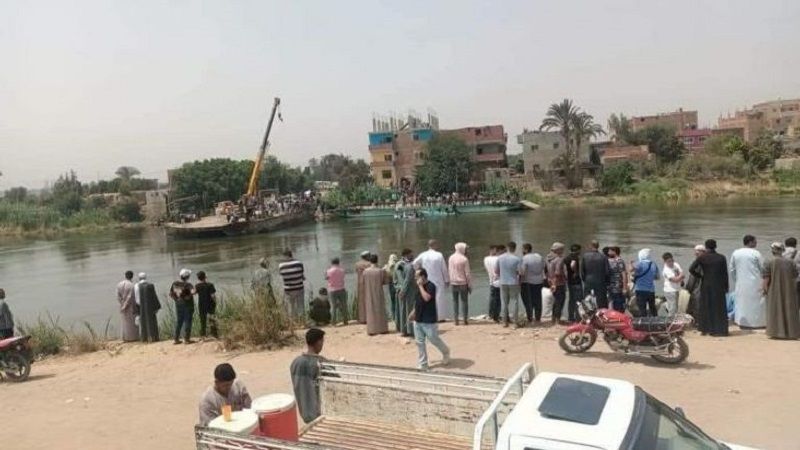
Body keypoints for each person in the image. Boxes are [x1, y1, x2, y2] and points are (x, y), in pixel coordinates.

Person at [411, 268, 450, 371]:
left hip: (428, 319)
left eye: (417, 276)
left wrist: (420, 286)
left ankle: (446, 352)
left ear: (423, 276)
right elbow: (418, 301)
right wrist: (413, 312)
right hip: (418, 319)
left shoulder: (431, 286)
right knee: (419, 342)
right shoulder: (418, 287)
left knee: (433, 339)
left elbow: (427, 298)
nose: (415, 278)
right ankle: (423, 364)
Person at [689, 239, 730, 336]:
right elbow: (725, 273)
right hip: (719, 285)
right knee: (719, 307)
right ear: (715, 246)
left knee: (706, 306)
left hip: (706, 284)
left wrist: (700, 276)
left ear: (706, 247)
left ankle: (705, 328)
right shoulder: (721, 258)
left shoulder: (702, 257)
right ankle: (720, 329)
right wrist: (726, 286)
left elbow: (691, 269)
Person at [762, 242, 800, 339]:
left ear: (772, 250)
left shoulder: (768, 261)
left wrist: (765, 290)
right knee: (789, 310)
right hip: (789, 291)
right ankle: (791, 333)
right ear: (782, 250)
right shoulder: (791, 262)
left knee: (775, 310)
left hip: (774, 290)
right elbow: (795, 275)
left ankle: (776, 332)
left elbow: (766, 278)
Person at [730, 235, 766, 329]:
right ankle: (757, 324)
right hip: (755, 282)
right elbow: (763, 268)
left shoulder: (736, 253)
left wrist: (737, 280)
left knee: (742, 304)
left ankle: (742, 322)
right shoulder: (756, 253)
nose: (756, 243)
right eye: (755, 241)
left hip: (741, 283)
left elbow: (732, 269)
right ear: (750, 242)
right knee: (757, 304)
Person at [290, 328, 325, 423]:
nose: (322, 345)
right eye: (322, 341)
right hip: (319, 414)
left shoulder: (295, 363)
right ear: (318, 342)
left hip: (304, 414)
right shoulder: (320, 363)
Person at [413, 240, 451, 320]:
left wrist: (419, 271)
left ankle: (429, 315)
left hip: (426, 279)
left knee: (427, 297)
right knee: (439, 299)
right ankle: (440, 317)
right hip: (438, 279)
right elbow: (443, 268)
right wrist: (447, 280)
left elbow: (414, 263)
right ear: (435, 245)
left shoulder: (423, 255)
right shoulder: (439, 255)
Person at [495, 241, 523, 328]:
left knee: (504, 302)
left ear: (507, 248)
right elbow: (520, 272)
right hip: (513, 282)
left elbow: (496, 271)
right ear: (514, 248)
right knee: (514, 302)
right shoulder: (517, 259)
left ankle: (505, 322)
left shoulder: (500, 258)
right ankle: (515, 323)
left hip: (503, 282)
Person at [448, 242, 472, 326]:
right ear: (462, 249)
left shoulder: (451, 258)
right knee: (464, 301)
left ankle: (456, 320)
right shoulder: (464, 259)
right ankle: (465, 319)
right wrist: (469, 285)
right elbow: (467, 274)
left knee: (455, 302)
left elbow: (450, 270)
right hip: (463, 283)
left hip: (453, 283)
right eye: (466, 249)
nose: (467, 250)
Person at [363, 254, 389, 335]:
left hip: (369, 292)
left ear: (370, 261)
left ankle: (371, 330)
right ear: (377, 260)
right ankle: (382, 329)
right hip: (378, 292)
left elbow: (364, 282)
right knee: (380, 310)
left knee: (370, 310)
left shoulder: (365, 271)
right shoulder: (380, 271)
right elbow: (385, 282)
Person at [581, 240, 611, 309]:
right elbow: (607, 272)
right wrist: (607, 282)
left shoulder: (585, 256)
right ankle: (603, 316)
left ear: (591, 246)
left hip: (588, 280)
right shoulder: (603, 257)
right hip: (600, 281)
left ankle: (588, 314)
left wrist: (584, 280)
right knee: (602, 301)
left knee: (587, 299)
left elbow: (582, 271)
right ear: (598, 246)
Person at [520, 243, 545, 323]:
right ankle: (538, 318)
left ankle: (530, 318)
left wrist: (519, 281)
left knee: (528, 300)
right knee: (538, 300)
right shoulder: (539, 256)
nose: (522, 251)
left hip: (528, 282)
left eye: (522, 249)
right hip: (539, 281)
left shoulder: (525, 258)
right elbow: (543, 267)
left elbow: (522, 272)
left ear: (526, 250)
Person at [631, 249, 660, 317]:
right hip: (651, 290)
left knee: (642, 308)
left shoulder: (640, 263)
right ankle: (656, 321)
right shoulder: (654, 264)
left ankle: (644, 323)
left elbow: (631, 270)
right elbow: (657, 277)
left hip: (640, 290)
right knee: (652, 307)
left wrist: (631, 264)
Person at [170, 268, 195, 344]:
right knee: (187, 321)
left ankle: (176, 339)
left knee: (179, 321)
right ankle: (186, 339)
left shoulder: (175, 283)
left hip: (178, 304)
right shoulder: (188, 285)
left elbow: (171, 294)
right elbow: (193, 291)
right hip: (187, 304)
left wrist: (177, 299)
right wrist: (189, 295)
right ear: (187, 277)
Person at [278, 250, 306, 320]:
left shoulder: (281, 265)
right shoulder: (299, 263)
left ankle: (293, 324)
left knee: (290, 307)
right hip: (299, 287)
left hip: (288, 289)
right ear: (291, 255)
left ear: (285, 256)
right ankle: (302, 322)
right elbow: (302, 275)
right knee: (300, 306)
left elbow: (281, 274)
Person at [396, 249, 416, 337]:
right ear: (406, 255)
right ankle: (410, 330)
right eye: (411, 255)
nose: (412, 256)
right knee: (409, 310)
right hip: (409, 291)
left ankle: (404, 330)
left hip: (403, 290)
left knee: (404, 310)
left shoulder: (402, 264)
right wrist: (403, 291)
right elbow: (405, 280)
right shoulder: (406, 265)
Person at [135, 273, 161, 342]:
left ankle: (144, 338)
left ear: (139, 278)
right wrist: (157, 307)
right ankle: (153, 337)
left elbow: (136, 298)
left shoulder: (136, 286)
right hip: (150, 307)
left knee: (143, 323)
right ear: (146, 278)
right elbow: (154, 297)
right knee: (152, 322)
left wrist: (138, 308)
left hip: (141, 307)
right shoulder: (150, 286)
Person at [546, 243, 568, 324]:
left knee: (555, 301)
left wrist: (552, 283)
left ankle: (553, 318)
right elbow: (558, 272)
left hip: (551, 281)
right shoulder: (559, 259)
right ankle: (558, 319)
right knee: (560, 300)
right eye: (562, 249)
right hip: (559, 283)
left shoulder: (548, 258)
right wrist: (565, 277)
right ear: (558, 250)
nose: (563, 251)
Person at [685, 245, 706, 324]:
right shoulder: (706, 261)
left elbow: (692, 279)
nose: (695, 254)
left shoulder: (699, 262)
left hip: (698, 288)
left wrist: (688, 289)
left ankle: (698, 323)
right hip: (702, 287)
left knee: (696, 306)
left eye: (697, 253)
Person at [116, 271, 139, 342]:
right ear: (132, 276)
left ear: (125, 276)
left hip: (122, 306)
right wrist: (126, 305)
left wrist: (122, 304)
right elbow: (130, 297)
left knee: (124, 322)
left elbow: (117, 296)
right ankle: (132, 338)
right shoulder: (132, 285)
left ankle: (125, 337)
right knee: (131, 323)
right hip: (131, 307)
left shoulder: (119, 284)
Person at [194, 271, 218, 339]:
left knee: (202, 320)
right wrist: (215, 302)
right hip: (210, 304)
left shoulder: (197, 286)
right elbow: (213, 295)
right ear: (205, 277)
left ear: (198, 278)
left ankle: (203, 335)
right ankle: (214, 334)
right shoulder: (210, 285)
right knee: (212, 319)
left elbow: (194, 293)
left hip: (201, 305)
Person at [563, 244, 583, 323]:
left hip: (569, 281)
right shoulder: (575, 257)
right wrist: (575, 271)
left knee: (571, 300)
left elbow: (564, 269)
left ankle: (570, 317)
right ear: (578, 250)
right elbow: (573, 264)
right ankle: (578, 318)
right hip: (576, 282)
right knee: (578, 300)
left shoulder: (566, 258)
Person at [325, 258, 347, 325]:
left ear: (332, 263)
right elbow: (343, 277)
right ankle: (345, 321)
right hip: (341, 289)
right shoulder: (342, 270)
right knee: (343, 306)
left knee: (333, 306)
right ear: (338, 262)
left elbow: (326, 278)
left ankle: (333, 322)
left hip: (332, 290)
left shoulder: (328, 271)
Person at [607, 247, 628, 313]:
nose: (608, 253)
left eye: (610, 251)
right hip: (612, 287)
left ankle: (620, 317)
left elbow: (624, 274)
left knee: (618, 304)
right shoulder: (612, 260)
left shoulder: (619, 261)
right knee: (613, 303)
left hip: (617, 286)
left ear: (615, 252)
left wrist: (624, 288)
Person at [483, 245, 501, 322]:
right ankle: (496, 315)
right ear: (494, 250)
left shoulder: (486, 259)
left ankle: (491, 314)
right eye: (496, 250)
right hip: (499, 281)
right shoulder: (498, 259)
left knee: (492, 298)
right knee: (498, 299)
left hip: (491, 280)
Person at [355, 251, 372, 324]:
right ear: (367, 256)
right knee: (369, 300)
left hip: (360, 284)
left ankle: (362, 319)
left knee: (361, 302)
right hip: (368, 283)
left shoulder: (357, 264)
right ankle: (370, 317)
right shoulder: (369, 264)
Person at [384, 254, 400, 325]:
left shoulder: (387, 266)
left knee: (393, 301)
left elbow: (382, 271)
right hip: (398, 284)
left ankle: (394, 317)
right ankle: (399, 316)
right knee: (398, 301)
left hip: (391, 285)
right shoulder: (398, 265)